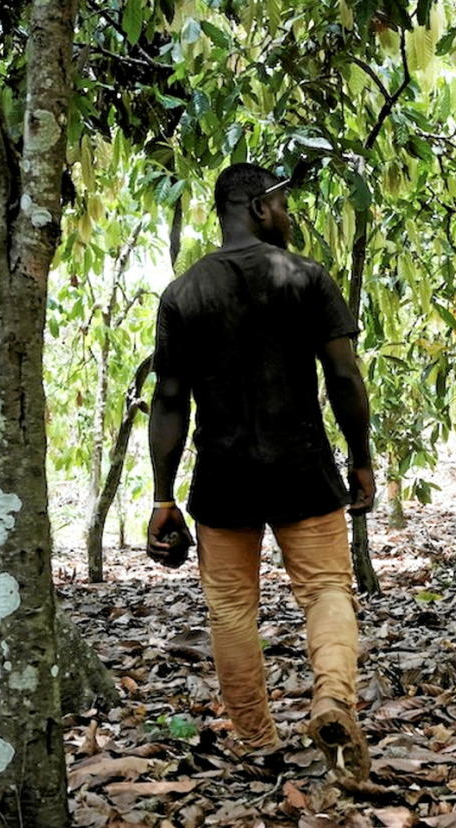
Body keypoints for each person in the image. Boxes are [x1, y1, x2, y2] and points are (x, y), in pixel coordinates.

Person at [146, 162, 374, 779]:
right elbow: (345, 378)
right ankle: (332, 696)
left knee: (229, 609)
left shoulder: (184, 293)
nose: (291, 216)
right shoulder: (307, 278)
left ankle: (255, 741)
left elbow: (170, 400)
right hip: (302, 465)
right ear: (258, 207)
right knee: (327, 590)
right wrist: (360, 458)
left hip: (223, 476)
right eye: (285, 204)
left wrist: (162, 497)